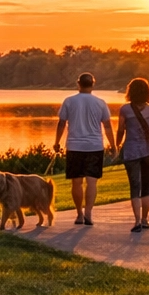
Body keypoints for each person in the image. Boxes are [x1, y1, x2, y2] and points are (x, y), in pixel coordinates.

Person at [54, 72, 114, 226]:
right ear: (93, 84)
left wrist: (56, 142)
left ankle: (79, 214)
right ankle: (88, 213)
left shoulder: (69, 101)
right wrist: (114, 145)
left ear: (78, 84)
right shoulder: (100, 103)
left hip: (75, 146)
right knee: (92, 183)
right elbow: (107, 126)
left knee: (77, 182)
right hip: (94, 146)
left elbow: (61, 123)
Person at [116, 76, 149, 232]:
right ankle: (145, 220)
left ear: (130, 92)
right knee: (146, 187)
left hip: (131, 152)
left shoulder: (125, 109)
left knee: (134, 187)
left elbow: (121, 130)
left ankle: (137, 221)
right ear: (147, 92)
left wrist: (117, 146)